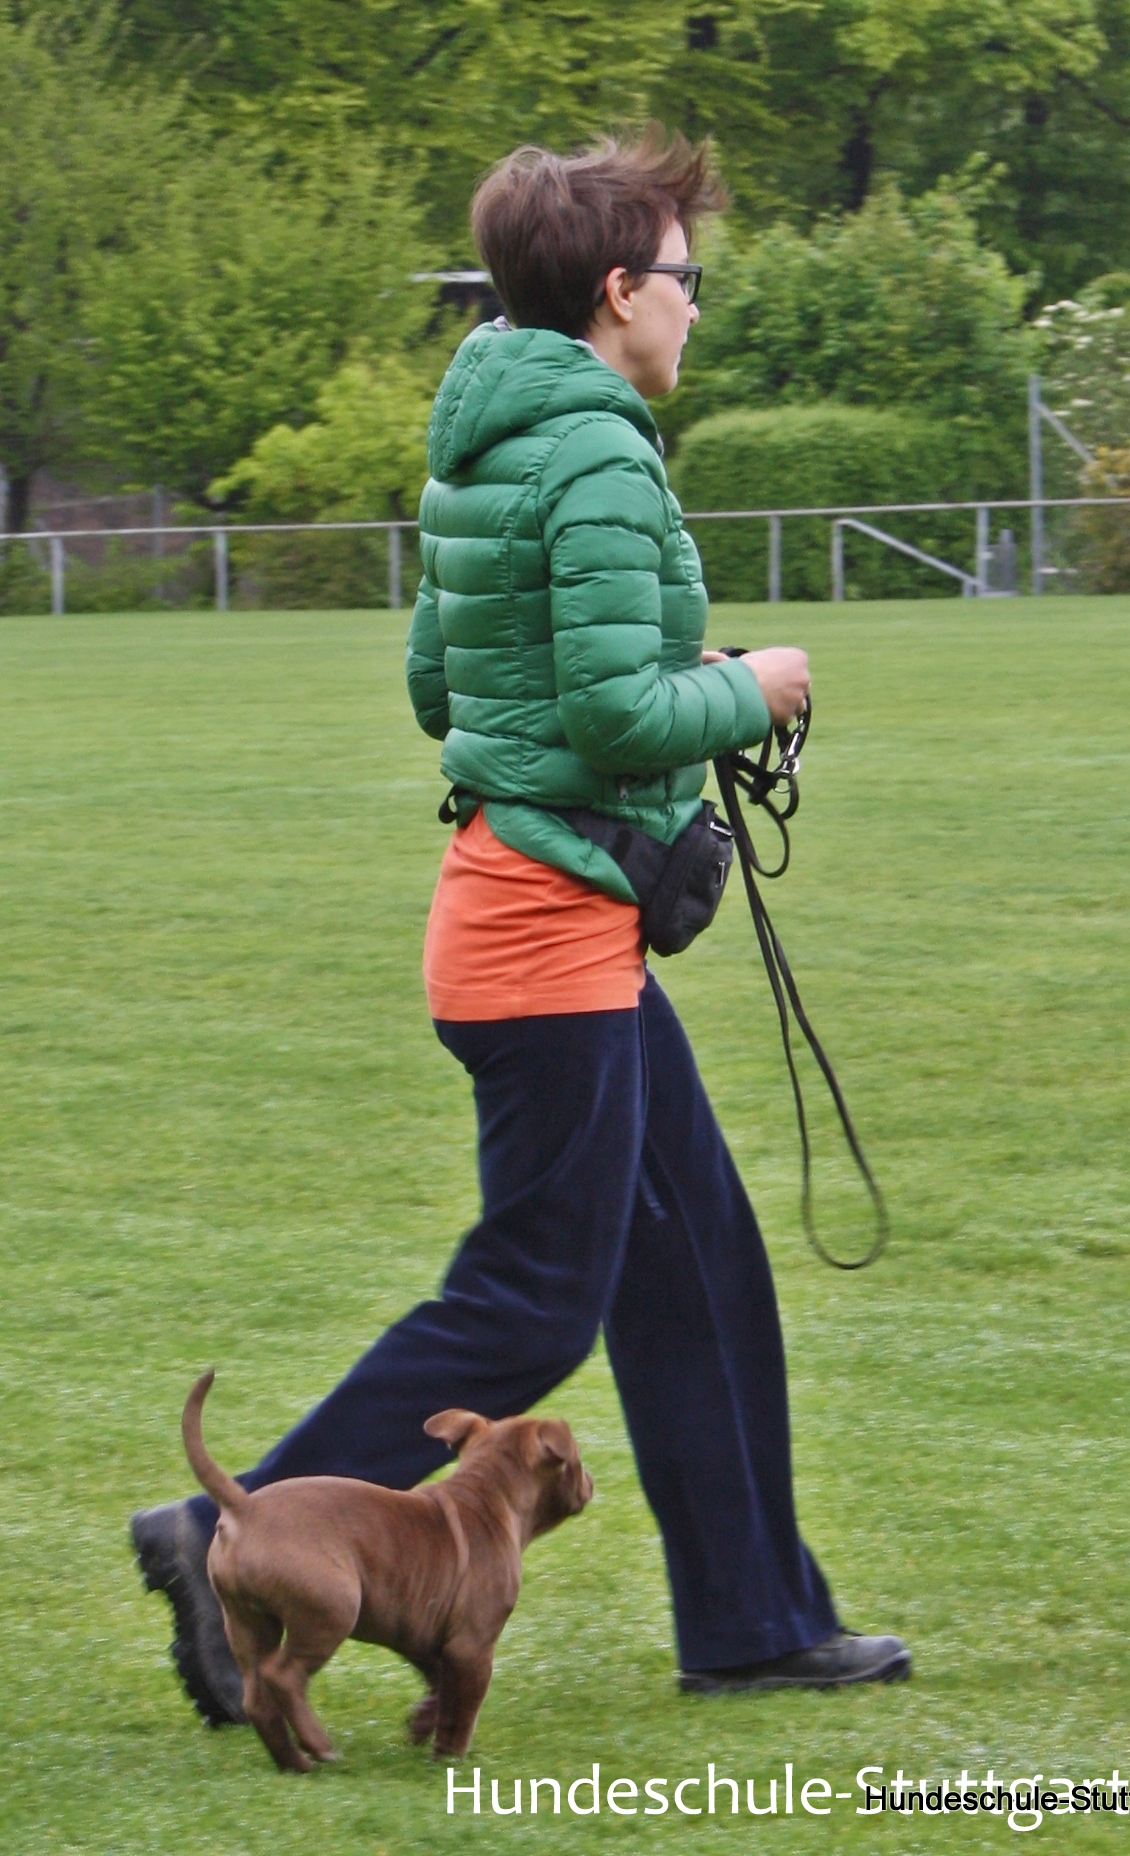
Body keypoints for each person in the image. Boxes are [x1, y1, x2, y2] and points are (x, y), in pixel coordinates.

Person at [131, 128, 909, 1726]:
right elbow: (617, 709)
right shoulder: (602, 454)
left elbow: (447, 687)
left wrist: (656, 703)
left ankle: (753, 1619)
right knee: (535, 1299)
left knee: (697, 1273)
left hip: (532, 914)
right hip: (548, 939)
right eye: (686, 277)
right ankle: (232, 1534)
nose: (695, 305)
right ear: (620, 291)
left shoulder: (484, 442)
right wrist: (751, 689)